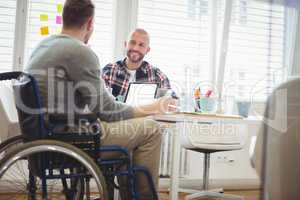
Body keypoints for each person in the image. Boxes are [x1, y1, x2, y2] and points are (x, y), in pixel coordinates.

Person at [25, 0, 177, 199]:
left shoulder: (42, 46)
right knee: (151, 129)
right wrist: (154, 107)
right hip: (74, 138)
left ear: (64, 18)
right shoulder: (80, 52)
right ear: (90, 24)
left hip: (47, 134)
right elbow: (108, 110)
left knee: (131, 132)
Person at [102, 28, 172, 101]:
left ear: (147, 50)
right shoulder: (108, 72)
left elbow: (170, 103)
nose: (135, 48)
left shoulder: (158, 76)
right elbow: (100, 104)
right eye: (132, 42)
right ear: (126, 44)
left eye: (141, 45)